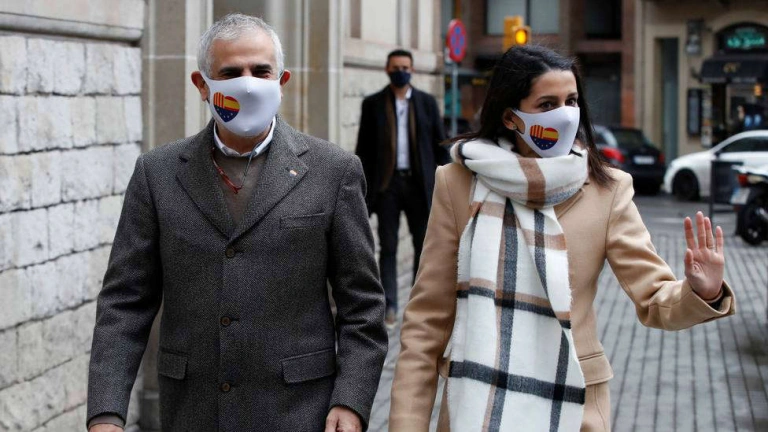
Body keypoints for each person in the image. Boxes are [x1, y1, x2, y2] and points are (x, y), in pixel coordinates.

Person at [389, 45, 736, 431]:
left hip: (573, 407)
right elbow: (427, 322)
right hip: (477, 405)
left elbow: (654, 298)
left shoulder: (608, 189)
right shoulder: (457, 183)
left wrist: (702, 291)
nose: (565, 114)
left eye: (571, 101)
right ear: (510, 116)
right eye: (547, 104)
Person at [87, 14, 387, 432]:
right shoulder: (157, 174)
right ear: (202, 85)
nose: (247, 84)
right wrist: (106, 412)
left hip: (300, 411)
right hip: (193, 412)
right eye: (230, 73)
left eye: (260, 71)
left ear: (281, 81)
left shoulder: (333, 171)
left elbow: (362, 305)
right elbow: (125, 302)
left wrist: (351, 401)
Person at [355, 49, 450, 326]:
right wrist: (362, 189)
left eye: (405, 67)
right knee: (388, 247)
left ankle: (420, 301)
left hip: (419, 186)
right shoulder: (373, 104)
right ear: (387, 69)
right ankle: (390, 305)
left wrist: (445, 184)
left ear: (412, 70)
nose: (401, 72)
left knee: (423, 246)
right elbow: (363, 150)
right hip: (387, 186)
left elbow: (441, 146)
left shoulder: (427, 103)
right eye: (396, 67)